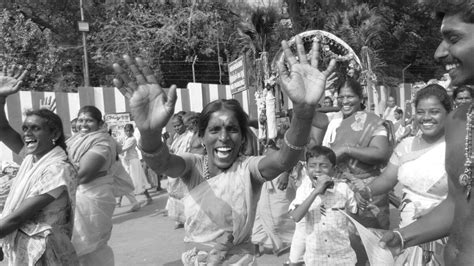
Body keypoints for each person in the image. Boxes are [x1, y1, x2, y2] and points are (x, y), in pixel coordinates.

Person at [112, 35, 336, 264]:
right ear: (201, 135)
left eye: (232, 129)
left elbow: (283, 161)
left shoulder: (248, 169)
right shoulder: (193, 165)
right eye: (214, 130)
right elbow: (161, 163)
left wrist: (304, 112)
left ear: (242, 136)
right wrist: (149, 132)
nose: (223, 138)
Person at [379, 1, 474, 264]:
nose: (439, 53)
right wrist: (403, 236)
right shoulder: (459, 120)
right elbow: (457, 205)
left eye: (453, 38)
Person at [358, 84, 451, 265]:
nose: (426, 118)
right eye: (421, 112)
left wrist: (435, 213)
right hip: (406, 230)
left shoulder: (459, 148)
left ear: (448, 112)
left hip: (445, 230)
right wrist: (366, 192)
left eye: (434, 112)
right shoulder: (406, 145)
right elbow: (387, 179)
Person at [0, 65, 79, 265]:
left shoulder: (57, 168)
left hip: (44, 252)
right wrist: (1, 98)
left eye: (35, 128)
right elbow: (2, 129)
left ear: (54, 134)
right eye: (25, 128)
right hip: (22, 249)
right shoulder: (31, 158)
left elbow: (16, 219)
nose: (27, 133)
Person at [321, 77, 393, 265]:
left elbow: (381, 153)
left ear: (360, 97)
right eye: (341, 97)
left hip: (367, 189)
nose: (345, 101)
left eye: (350, 96)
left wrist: (346, 149)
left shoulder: (372, 121)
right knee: (343, 242)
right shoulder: (334, 123)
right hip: (339, 189)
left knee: (373, 243)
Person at [289, 146, 358, 265]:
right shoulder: (304, 191)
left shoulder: (343, 189)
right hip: (315, 259)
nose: (317, 170)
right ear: (306, 168)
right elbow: (296, 216)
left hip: (343, 258)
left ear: (334, 170)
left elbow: (356, 213)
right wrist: (315, 192)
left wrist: (363, 199)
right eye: (312, 166)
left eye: (324, 166)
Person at [67, 105, 117, 265]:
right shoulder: (74, 140)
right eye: (81, 120)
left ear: (99, 123)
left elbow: (83, 175)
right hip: (75, 194)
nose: (83, 124)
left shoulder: (102, 141)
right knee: (75, 248)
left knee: (91, 248)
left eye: (89, 120)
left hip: (93, 195)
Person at [166, 113, 194, 229]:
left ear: (184, 124)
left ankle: (189, 218)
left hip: (184, 166)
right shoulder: (176, 136)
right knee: (175, 194)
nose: (177, 128)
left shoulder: (190, 136)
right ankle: (179, 218)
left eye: (179, 125)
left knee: (187, 195)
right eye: (175, 126)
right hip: (175, 166)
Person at [120, 123, 153, 207]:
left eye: (129, 131)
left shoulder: (132, 139)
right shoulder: (126, 138)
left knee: (137, 181)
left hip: (133, 162)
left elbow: (123, 149)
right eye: (126, 131)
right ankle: (119, 201)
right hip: (128, 162)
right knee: (129, 180)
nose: (128, 132)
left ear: (133, 131)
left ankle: (147, 198)